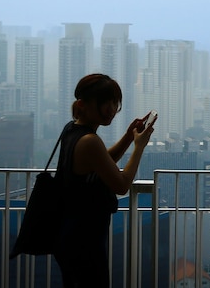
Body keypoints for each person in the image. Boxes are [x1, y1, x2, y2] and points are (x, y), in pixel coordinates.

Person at [52, 73, 156, 287]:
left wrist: (129, 136)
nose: (110, 109)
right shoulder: (90, 140)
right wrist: (139, 147)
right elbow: (121, 184)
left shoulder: (72, 131)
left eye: (114, 103)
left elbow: (103, 162)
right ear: (83, 104)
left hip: (71, 232)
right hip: (84, 238)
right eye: (104, 102)